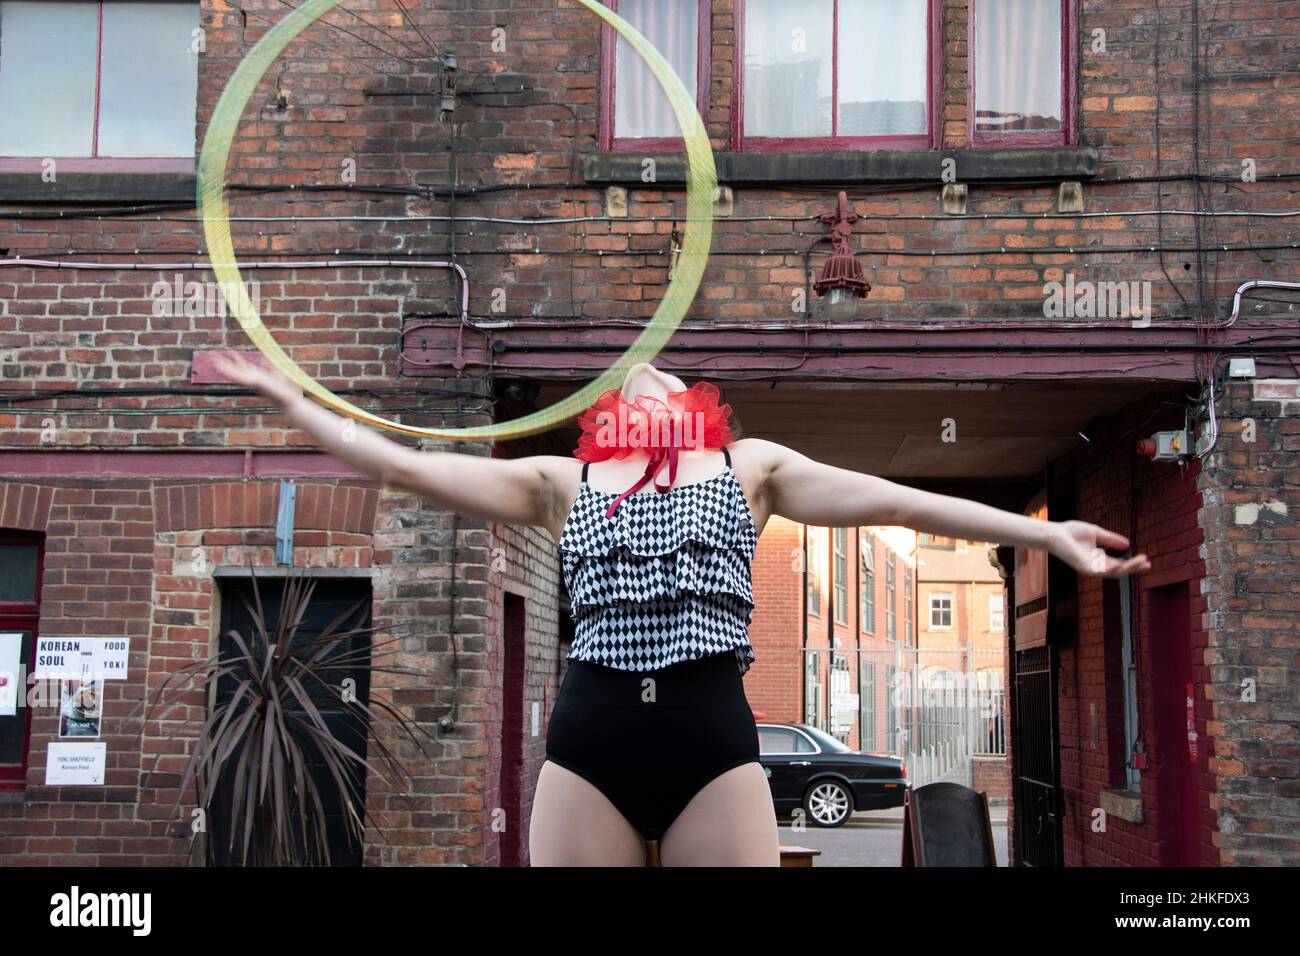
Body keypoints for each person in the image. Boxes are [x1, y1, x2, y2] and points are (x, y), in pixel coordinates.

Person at [210, 353, 1151, 866]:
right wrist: (297, 402)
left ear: (698, 403)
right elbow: (408, 468)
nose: (648, 367)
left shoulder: (753, 471)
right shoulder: (561, 481)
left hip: (710, 737)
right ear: (608, 408)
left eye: (666, 363)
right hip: (592, 740)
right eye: (631, 368)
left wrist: (1047, 535)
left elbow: (898, 501)